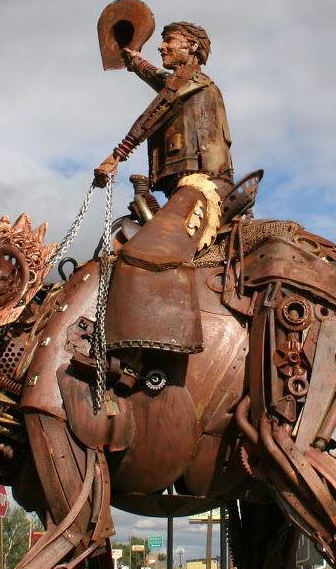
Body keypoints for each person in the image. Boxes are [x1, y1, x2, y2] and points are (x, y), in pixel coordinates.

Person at [94, 20, 233, 363]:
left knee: (146, 252)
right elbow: (161, 81)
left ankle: (156, 348)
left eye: (170, 40)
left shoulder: (195, 82)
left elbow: (158, 107)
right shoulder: (184, 82)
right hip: (184, 188)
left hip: (204, 187)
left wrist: (117, 155)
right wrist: (134, 60)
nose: (162, 46)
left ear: (192, 47)